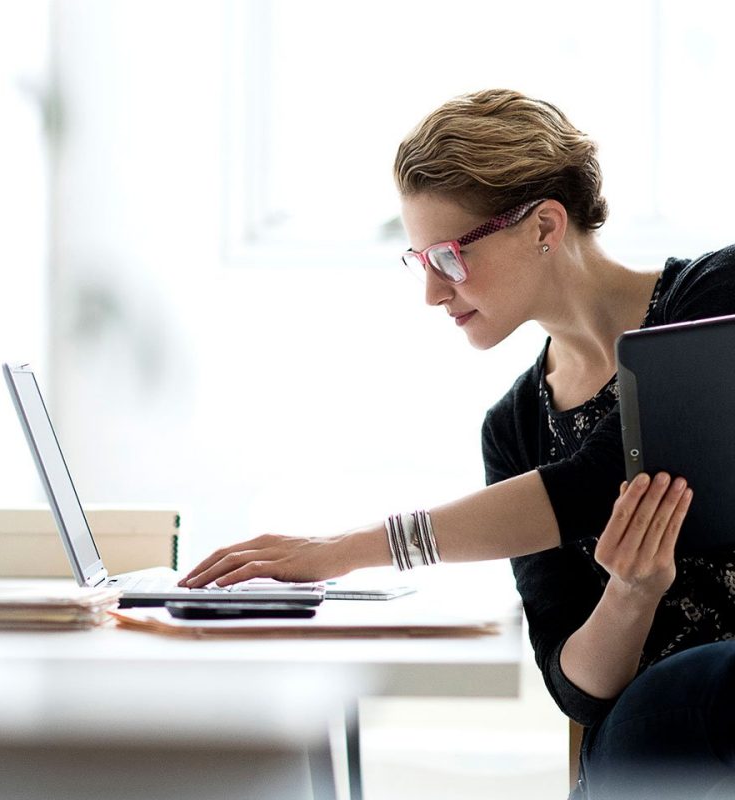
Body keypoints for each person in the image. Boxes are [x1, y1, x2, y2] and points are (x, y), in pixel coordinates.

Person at [179, 89, 735, 799]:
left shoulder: (714, 301)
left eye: (447, 256)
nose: (432, 293)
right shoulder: (514, 428)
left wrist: (346, 549)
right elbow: (576, 688)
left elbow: (598, 478)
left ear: (544, 225)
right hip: (646, 737)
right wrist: (630, 595)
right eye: (420, 260)